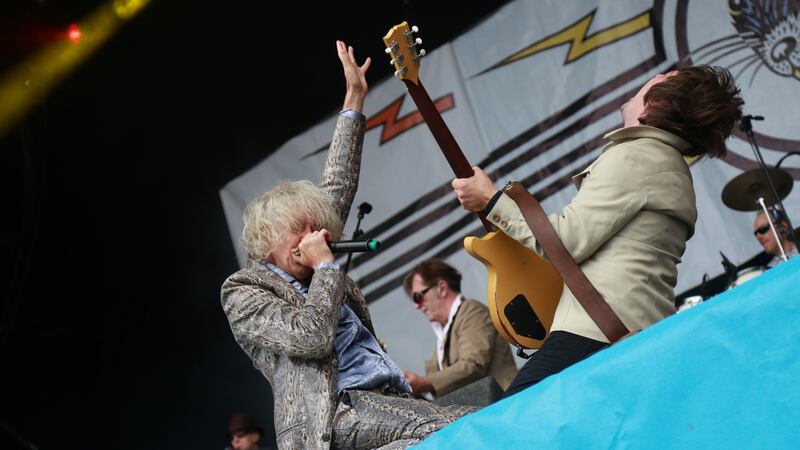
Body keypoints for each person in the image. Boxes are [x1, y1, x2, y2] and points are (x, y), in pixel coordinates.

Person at [221, 41, 474, 450]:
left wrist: (354, 97)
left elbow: (337, 186)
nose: (313, 236)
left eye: (314, 227)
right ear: (268, 237)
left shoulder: (310, 254)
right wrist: (325, 268)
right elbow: (310, 337)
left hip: (383, 400)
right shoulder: (243, 290)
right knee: (463, 429)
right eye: (299, 229)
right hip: (334, 416)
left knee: (468, 427)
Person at [452, 65, 744, 398]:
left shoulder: (637, 154)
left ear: (657, 103)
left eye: (662, 77)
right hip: (632, 333)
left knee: (508, 426)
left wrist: (491, 200)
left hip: (594, 336)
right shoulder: (668, 164)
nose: (652, 76)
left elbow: (566, 241)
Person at [401, 258, 517, 398]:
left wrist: (424, 383)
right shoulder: (442, 340)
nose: (417, 305)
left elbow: (472, 365)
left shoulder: (473, 312)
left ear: (442, 288)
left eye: (418, 297)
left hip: (506, 406)